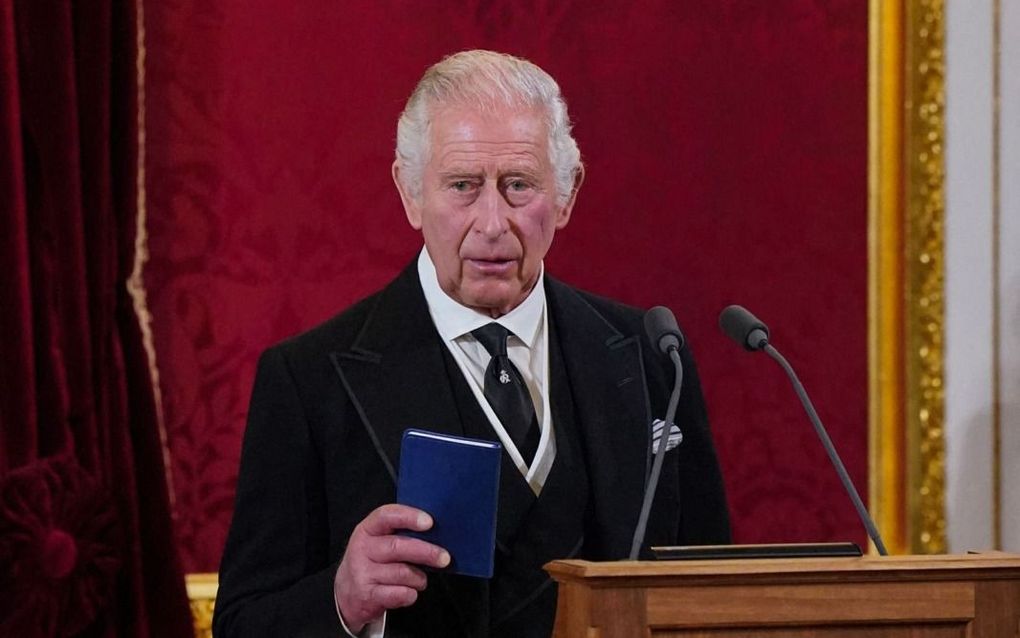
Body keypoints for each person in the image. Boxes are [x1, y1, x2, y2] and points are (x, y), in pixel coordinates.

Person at [212, 50, 729, 638]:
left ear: (566, 195)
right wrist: (342, 600)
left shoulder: (651, 356)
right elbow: (242, 624)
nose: (491, 223)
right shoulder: (308, 381)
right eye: (462, 186)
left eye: (518, 186)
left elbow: (710, 595)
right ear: (411, 195)